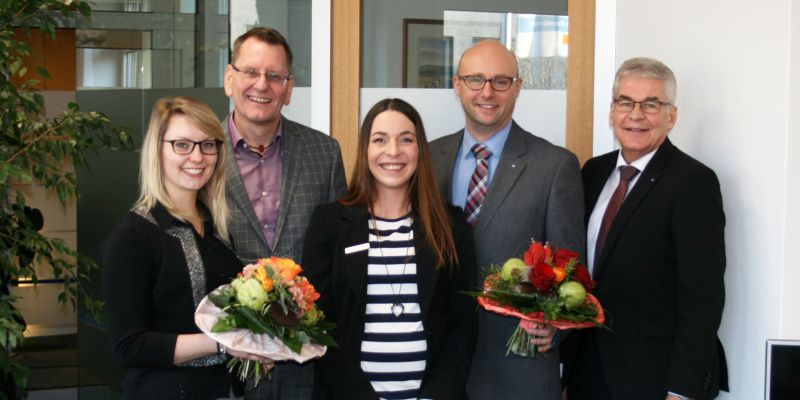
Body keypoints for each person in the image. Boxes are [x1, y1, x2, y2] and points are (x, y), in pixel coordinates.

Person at [430, 40, 585, 400]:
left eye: (501, 81)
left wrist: (554, 327)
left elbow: (571, 267)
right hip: (438, 366)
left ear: (517, 87)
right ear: (457, 85)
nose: (488, 92)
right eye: (475, 80)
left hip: (518, 368)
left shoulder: (555, 166)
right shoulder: (427, 157)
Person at [565, 57, 728, 400]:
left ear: (672, 116)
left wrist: (681, 390)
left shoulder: (693, 182)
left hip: (653, 378)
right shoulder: (592, 173)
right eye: (626, 102)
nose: (636, 115)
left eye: (651, 104)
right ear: (612, 112)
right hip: (588, 371)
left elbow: (702, 298)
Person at [302, 98, 478, 400]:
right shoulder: (330, 224)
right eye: (380, 139)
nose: (393, 152)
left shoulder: (450, 225)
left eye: (406, 140)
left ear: (420, 149)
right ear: (365, 149)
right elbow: (317, 325)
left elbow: (464, 324)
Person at [103, 96, 267, 399]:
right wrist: (221, 342)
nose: (198, 156)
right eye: (182, 144)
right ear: (157, 150)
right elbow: (129, 346)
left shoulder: (216, 227)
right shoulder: (133, 237)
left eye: (208, 144)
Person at [222, 27, 347, 399]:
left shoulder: (323, 153)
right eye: (250, 72)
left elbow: (337, 256)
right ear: (230, 78)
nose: (262, 85)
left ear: (289, 88)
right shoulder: (200, 154)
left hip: (303, 365)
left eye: (275, 76)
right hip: (224, 364)